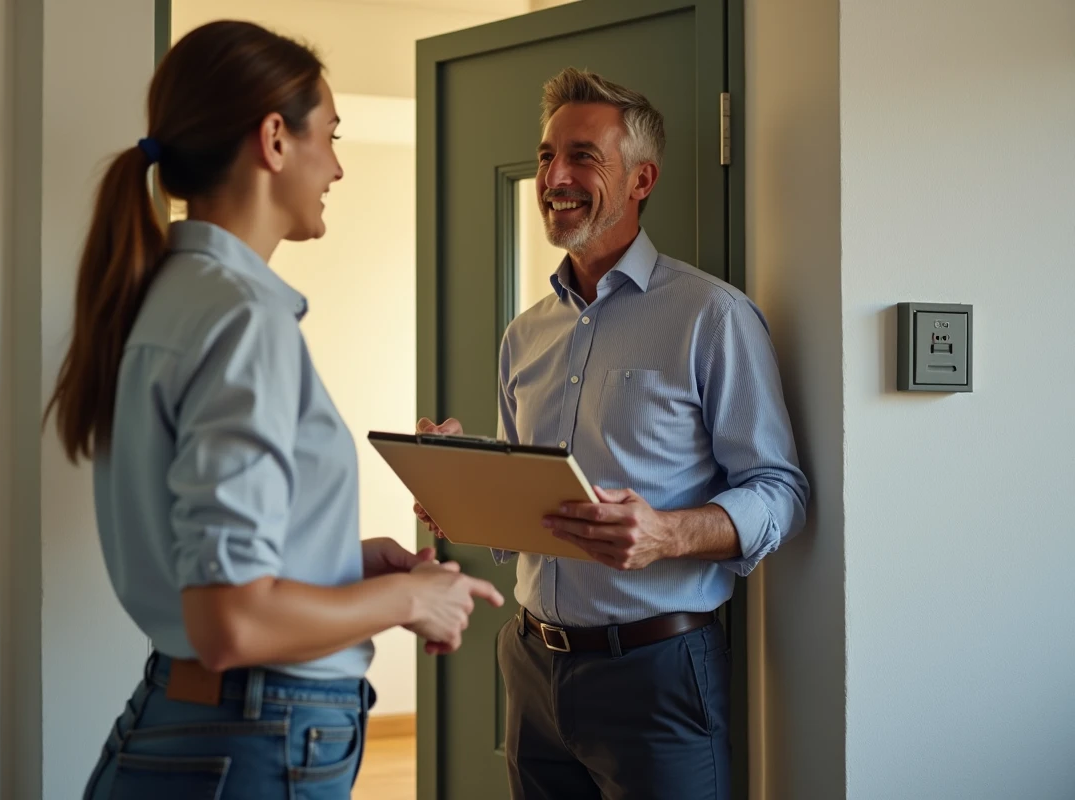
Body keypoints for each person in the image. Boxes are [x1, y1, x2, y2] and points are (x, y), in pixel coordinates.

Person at [45, 21, 503, 800]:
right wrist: (408, 597)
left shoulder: (165, 298)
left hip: (193, 718)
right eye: (330, 135)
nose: (339, 166)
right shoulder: (242, 321)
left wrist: (340, 563)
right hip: (256, 734)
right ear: (274, 140)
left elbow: (209, 568)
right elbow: (232, 622)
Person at [416, 68, 808, 799]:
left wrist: (669, 533)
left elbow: (781, 493)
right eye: (544, 156)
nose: (554, 177)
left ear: (640, 179)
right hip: (531, 665)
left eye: (582, 157)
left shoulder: (712, 317)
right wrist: (456, 488)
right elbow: (518, 522)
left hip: (660, 672)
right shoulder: (524, 334)